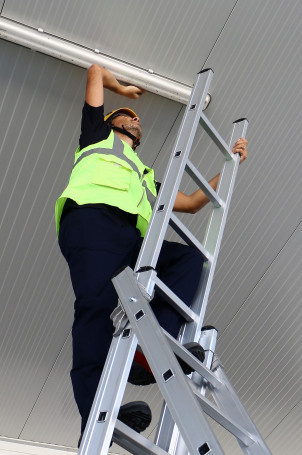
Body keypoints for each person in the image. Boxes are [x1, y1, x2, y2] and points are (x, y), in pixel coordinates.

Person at [55, 64, 248, 444]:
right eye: (128, 116)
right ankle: (94, 412)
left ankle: (149, 345)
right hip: (91, 222)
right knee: (94, 308)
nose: (136, 119)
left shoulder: (145, 176)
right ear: (111, 122)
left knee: (190, 261)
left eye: (137, 118)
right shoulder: (95, 139)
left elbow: (193, 203)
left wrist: (232, 164)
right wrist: (121, 90)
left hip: (130, 241)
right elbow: (95, 72)